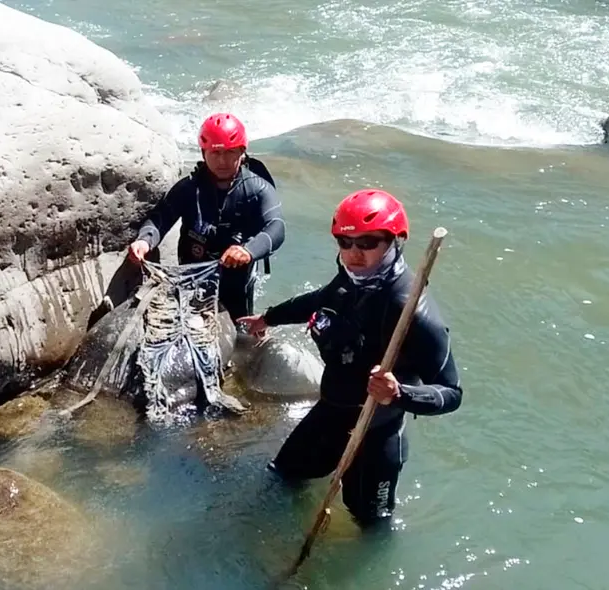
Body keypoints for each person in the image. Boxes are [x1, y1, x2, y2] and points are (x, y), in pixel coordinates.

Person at [237, 188, 463, 527]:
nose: (354, 253)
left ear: (393, 241)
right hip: (331, 412)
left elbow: (452, 393)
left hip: (375, 431)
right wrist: (268, 318)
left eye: (367, 243)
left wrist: (399, 393)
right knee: (281, 477)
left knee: (370, 525)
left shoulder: (412, 310)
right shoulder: (351, 278)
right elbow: (319, 300)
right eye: (345, 243)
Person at [127, 112, 285, 322]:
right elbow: (160, 218)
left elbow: (276, 227)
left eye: (230, 153)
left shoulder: (258, 190)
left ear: (242, 152)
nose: (222, 161)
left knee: (239, 336)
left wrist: (248, 251)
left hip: (235, 284)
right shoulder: (189, 188)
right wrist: (144, 241)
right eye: (215, 153)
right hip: (190, 279)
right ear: (203, 153)